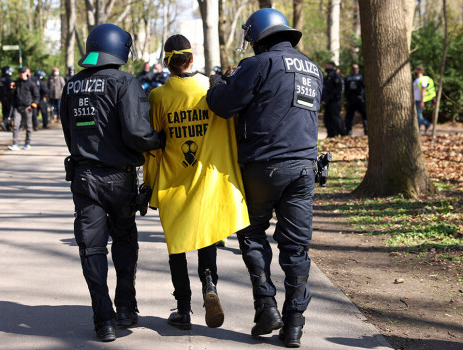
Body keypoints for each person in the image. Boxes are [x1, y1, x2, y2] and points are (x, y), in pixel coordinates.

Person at [206, 8, 322, 348]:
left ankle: (267, 305)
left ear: (257, 39)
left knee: (253, 234)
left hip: (263, 166)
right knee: (296, 246)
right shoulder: (313, 69)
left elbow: (225, 106)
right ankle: (294, 326)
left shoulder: (257, 65)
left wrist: (217, 84)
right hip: (304, 168)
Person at [60, 23, 164, 343]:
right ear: (120, 49)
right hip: (119, 179)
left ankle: (102, 319)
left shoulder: (72, 85)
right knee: (124, 242)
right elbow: (136, 132)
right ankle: (126, 308)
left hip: (83, 177)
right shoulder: (124, 81)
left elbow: (68, 131)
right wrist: (158, 141)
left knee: (91, 248)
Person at [143, 34, 249, 331]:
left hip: (174, 182)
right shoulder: (212, 89)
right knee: (207, 238)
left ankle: (183, 309)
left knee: (177, 247)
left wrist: (148, 187)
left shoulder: (159, 97)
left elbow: (152, 147)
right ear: (192, 59)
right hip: (210, 181)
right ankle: (210, 285)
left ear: (168, 63)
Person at [8, 67, 40, 151]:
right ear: (18, 74)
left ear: (26, 73)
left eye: (23, 72)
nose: (21, 74)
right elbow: (11, 95)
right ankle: (15, 144)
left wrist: (33, 106)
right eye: (20, 73)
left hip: (27, 108)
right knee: (15, 126)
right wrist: (11, 89)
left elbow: (37, 96)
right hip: (17, 108)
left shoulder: (31, 83)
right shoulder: (16, 83)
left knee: (28, 126)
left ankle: (27, 143)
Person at [322, 62, 346, 138]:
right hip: (327, 102)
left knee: (336, 118)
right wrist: (323, 99)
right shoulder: (326, 78)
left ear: (332, 66)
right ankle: (331, 134)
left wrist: (329, 97)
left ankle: (342, 133)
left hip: (334, 101)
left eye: (327, 66)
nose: (326, 68)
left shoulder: (336, 77)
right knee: (327, 119)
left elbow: (338, 89)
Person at [344, 64, 367, 136]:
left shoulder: (347, 78)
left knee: (349, 117)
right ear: (358, 70)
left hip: (351, 100)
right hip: (360, 99)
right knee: (365, 116)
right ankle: (366, 131)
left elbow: (345, 90)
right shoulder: (362, 77)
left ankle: (349, 132)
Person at [413, 65, 435, 134]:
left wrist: (422, 102)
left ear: (419, 71)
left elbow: (423, 90)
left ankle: (418, 131)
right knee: (417, 115)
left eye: (416, 70)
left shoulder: (423, 79)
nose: (415, 72)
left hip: (420, 100)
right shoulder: (417, 80)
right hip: (415, 100)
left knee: (417, 116)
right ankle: (427, 124)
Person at [0, 66, 14, 132]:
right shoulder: (8, 79)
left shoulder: (0, 79)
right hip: (8, 97)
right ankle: (4, 123)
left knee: (5, 111)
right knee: (10, 112)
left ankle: (6, 127)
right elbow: (11, 88)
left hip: (2, 98)